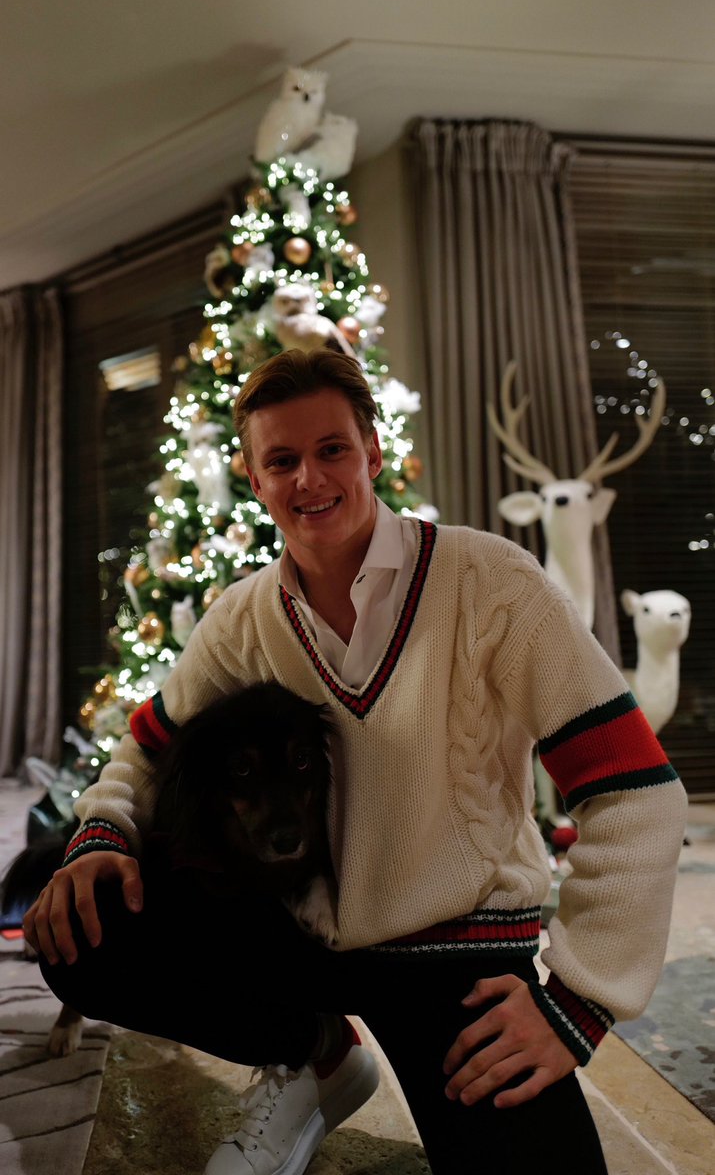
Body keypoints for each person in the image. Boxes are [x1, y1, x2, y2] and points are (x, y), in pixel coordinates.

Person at [26, 348, 687, 1175]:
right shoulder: (243, 617)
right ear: (254, 479)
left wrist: (575, 1003)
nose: (309, 479)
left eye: (331, 449)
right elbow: (148, 747)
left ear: (372, 452)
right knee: (83, 936)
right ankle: (315, 1053)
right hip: (295, 938)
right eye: (282, 460)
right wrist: (101, 835)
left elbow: (634, 792)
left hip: (456, 954)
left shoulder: (493, 584)